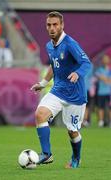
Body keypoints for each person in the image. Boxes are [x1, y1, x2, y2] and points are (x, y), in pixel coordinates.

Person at [31, 11, 92, 168]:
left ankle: (76, 158)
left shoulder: (70, 44)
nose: (52, 28)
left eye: (55, 24)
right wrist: (43, 83)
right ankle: (46, 154)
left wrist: (77, 73)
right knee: (40, 115)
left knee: (72, 131)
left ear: (62, 25)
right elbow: (54, 65)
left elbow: (86, 63)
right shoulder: (49, 46)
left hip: (75, 96)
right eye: (49, 25)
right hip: (58, 91)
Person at [95, 54, 111, 127]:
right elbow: (98, 76)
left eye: (107, 59)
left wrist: (105, 78)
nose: (105, 60)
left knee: (109, 108)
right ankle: (101, 122)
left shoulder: (109, 70)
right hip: (101, 92)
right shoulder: (99, 69)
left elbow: (108, 80)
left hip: (109, 92)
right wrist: (105, 79)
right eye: (104, 59)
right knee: (100, 107)